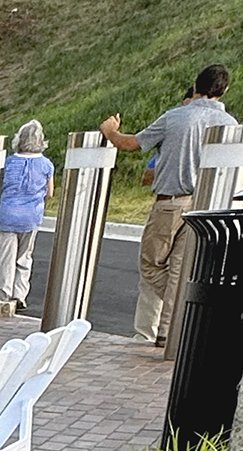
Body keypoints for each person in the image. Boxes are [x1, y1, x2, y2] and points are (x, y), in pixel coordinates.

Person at [100, 64, 233, 344]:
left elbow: (132, 144)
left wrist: (110, 131)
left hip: (171, 202)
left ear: (196, 85)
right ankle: (168, 330)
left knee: (150, 263)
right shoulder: (230, 125)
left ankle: (177, 308)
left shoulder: (175, 117)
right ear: (224, 90)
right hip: (207, 206)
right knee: (180, 269)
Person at [0, 120, 54, 309]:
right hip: (31, 217)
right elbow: (50, 193)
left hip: (7, 216)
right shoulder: (46, 165)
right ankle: (19, 295)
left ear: (19, 139)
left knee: (5, 258)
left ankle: (4, 294)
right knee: (24, 257)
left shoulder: (8, 162)